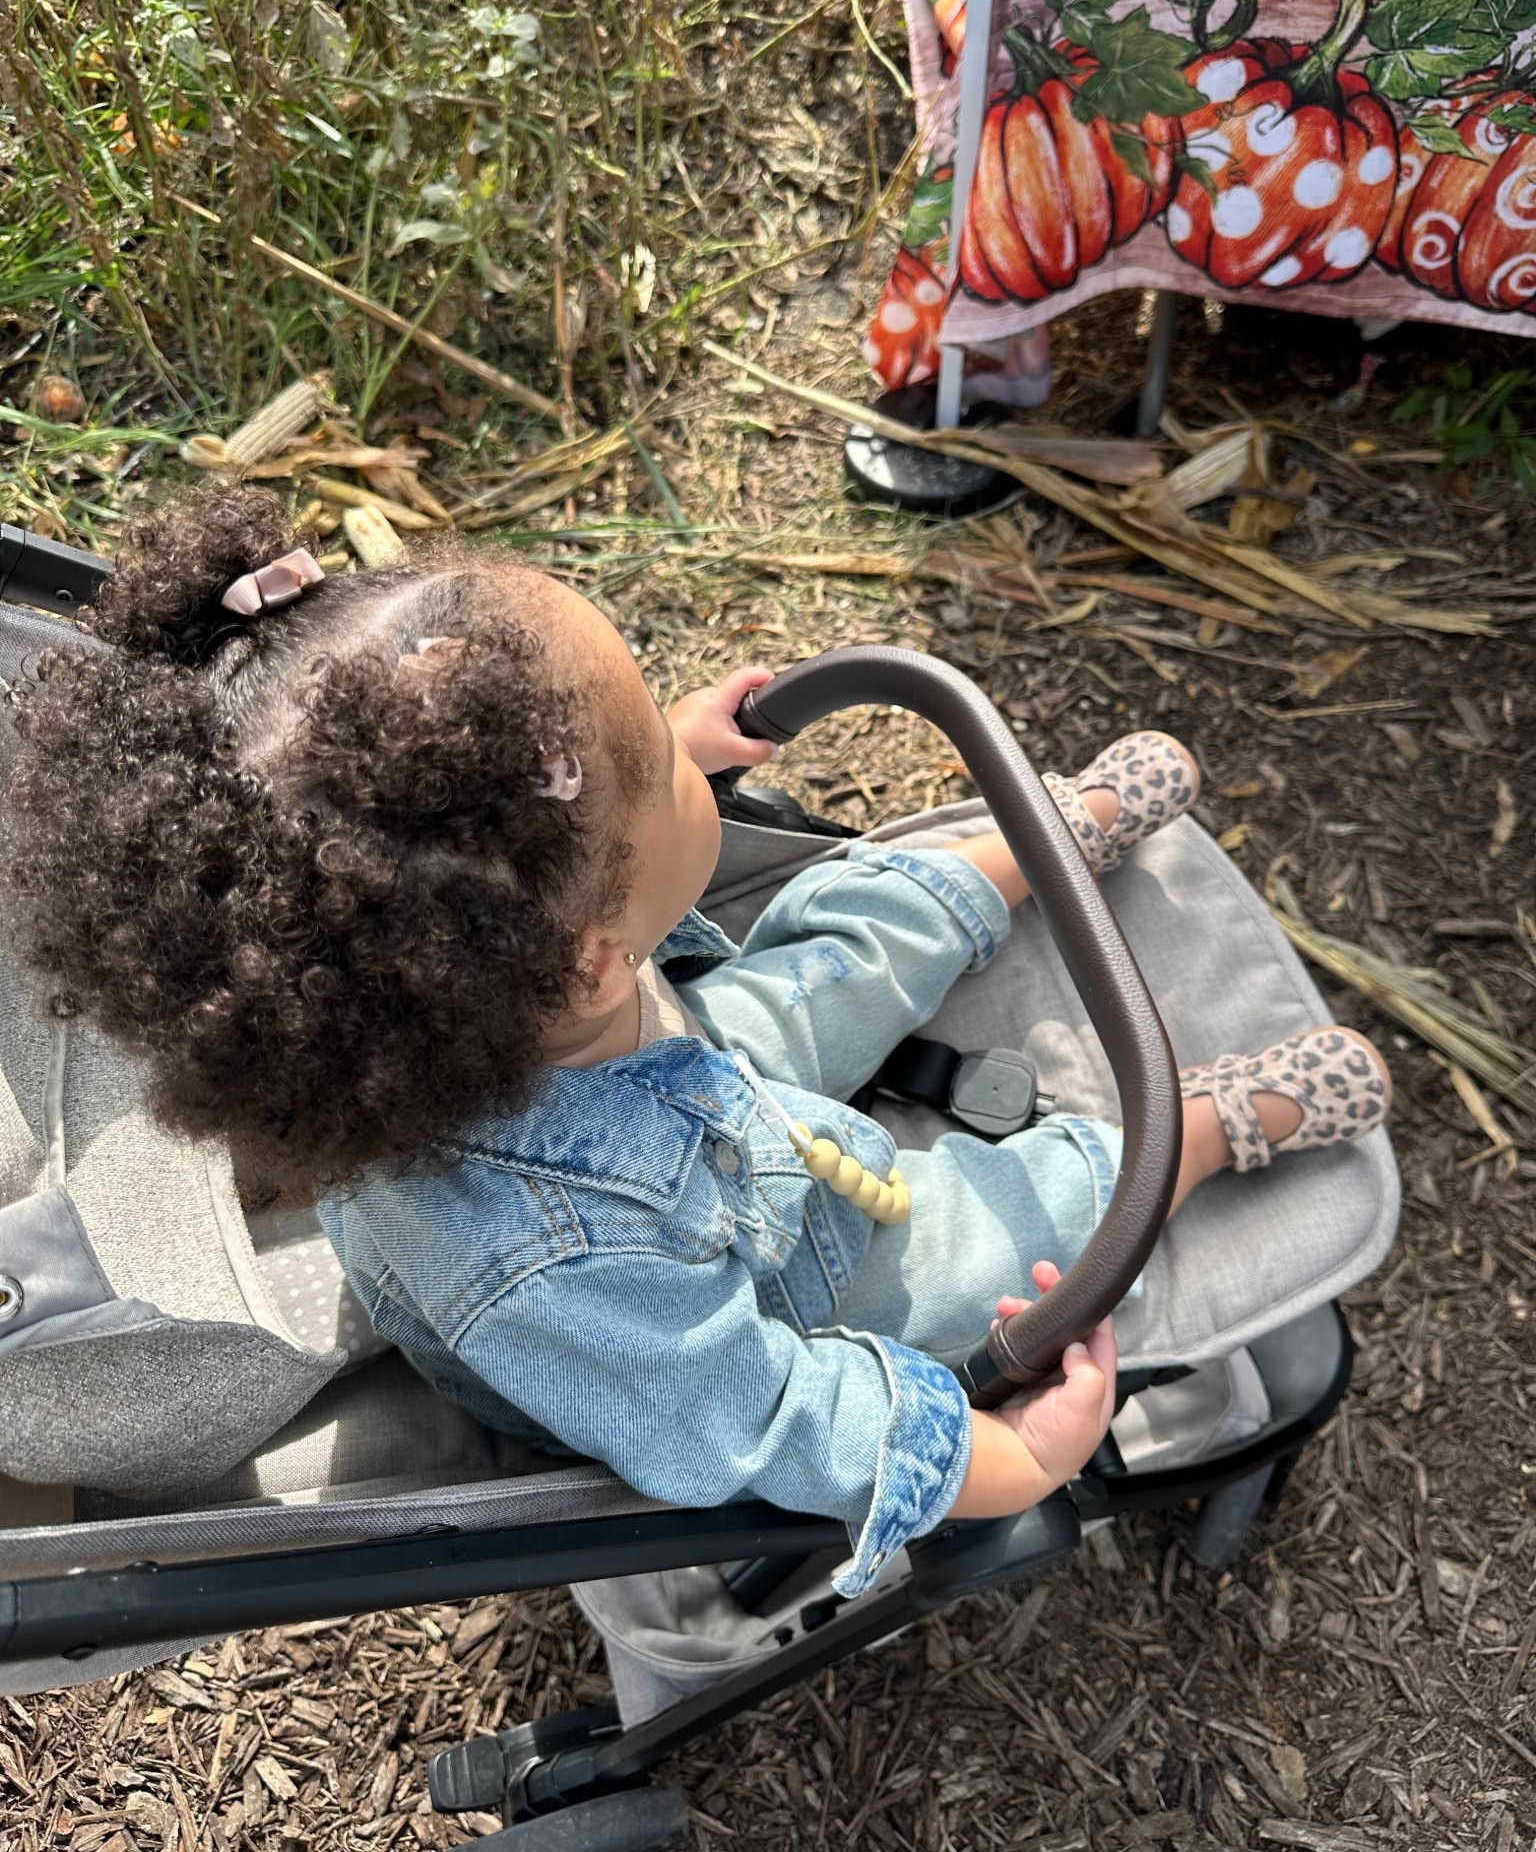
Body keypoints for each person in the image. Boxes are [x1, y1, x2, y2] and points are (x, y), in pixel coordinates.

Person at [1, 491, 1392, 1594]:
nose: (678, 753)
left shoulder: (458, 973)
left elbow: (519, 864)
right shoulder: (566, 1276)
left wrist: (659, 769)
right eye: (658, 772)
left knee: (828, 946)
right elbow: (760, 1411)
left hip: (661, 1065)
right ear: (592, 950)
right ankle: (1195, 1133)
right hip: (753, 1257)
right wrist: (1005, 1463)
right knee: (971, 1227)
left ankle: (1041, 843)